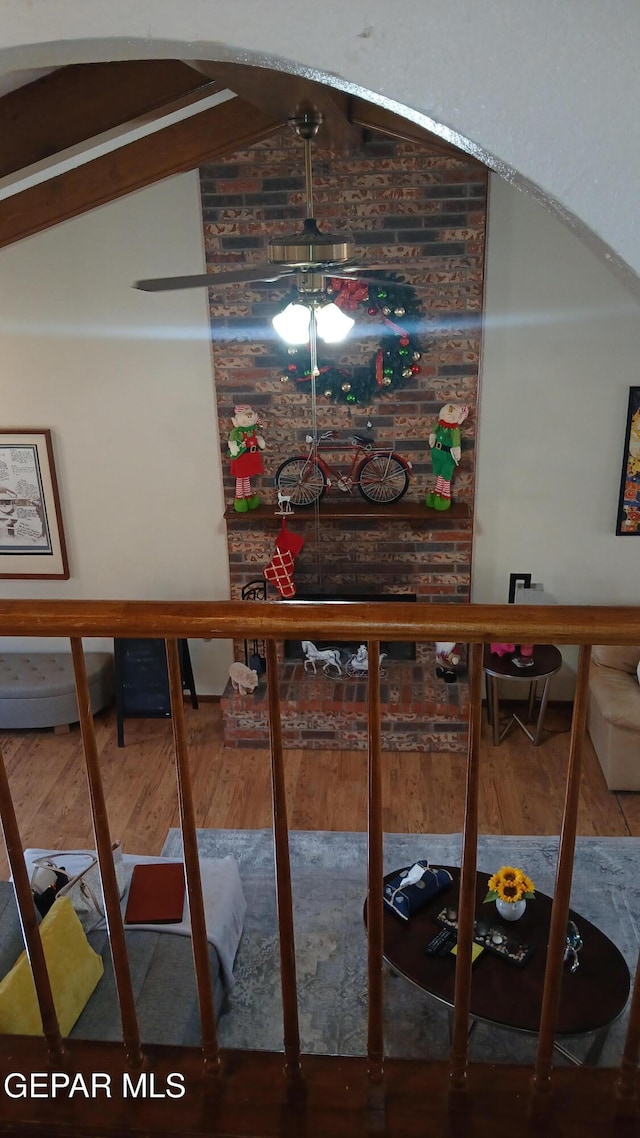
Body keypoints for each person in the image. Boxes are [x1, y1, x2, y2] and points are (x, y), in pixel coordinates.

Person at [426, 402, 469, 510]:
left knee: (446, 475)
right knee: (439, 473)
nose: (447, 416)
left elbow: (456, 442)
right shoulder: (439, 424)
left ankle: (445, 495)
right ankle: (437, 492)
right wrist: (432, 437)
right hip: (437, 454)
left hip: (447, 456)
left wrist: (456, 451)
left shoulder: (454, 429)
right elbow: (434, 432)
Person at [227, 404, 266, 512]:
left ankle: (248, 495)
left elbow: (256, 438)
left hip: (250, 456)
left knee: (247, 476)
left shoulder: (252, 430)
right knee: (241, 477)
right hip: (241, 456)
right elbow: (232, 441)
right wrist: (233, 447)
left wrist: (260, 441)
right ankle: (239, 497)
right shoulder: (237, 432)